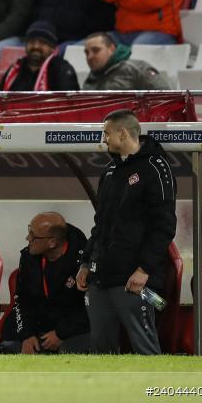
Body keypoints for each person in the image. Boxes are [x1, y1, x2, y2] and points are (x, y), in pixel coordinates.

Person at [76, 109, 176, 354]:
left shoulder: (156, 168)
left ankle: (153, 382)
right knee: (100, 347)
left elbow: (164, 226)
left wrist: (144, 269)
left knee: (144, 346)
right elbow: (101, 223)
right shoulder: (110, 171)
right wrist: (87, 262)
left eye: (107, 133)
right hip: (101, 276)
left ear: (123, 133)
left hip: (134, 277)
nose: (104, 140)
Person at [0, 212, 90, 354]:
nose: (27, 238)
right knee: (9, 347)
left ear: (52, 242)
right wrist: (27, 335)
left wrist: (61, 333)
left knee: (69, 351)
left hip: (72, 331)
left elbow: (89, 308)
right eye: (29, 231)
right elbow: (22, 299)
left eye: (33, 236)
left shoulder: (85, 264)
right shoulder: (28, 258)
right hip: (37, 328)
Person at [0, 21, 80, 91]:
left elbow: (70, 102)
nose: (36, 46)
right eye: (32, 42)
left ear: (52, 48)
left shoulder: (61, 69)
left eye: (43, 43)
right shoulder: (15, 69)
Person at [81, 32, 170, 90]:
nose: (90, 57)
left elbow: (165, 96)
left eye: (96, 50)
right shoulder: (91, 79)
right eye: (86, 52)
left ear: (112, 49)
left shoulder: (137, 69)